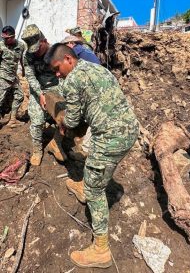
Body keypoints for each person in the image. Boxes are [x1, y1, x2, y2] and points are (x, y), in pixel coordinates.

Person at [44, 43, 139, 268]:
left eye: (57, 68)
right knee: (95, 166)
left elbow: (73, 119)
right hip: (129, 129)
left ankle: (101, 250)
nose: (57, 74)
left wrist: (62, 123)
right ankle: (86, 184)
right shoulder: (97, 67)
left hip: (111, 138)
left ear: (68, 59)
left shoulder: (73, 81)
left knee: (96, 191)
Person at [21, 24, 67, 166]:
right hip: (38, 88)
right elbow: (30, 77)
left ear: (44, 41)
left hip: (57, 86)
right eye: (32, 50)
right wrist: (40, 94)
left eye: (38, 48)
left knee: (65, 118)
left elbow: (64, 75)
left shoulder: (56, 52)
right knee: (36, 120)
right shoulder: (28, 56)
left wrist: (63, 94)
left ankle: (56, 143)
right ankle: (37, 150)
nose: (35, 52)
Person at [0, 26, 25, 128]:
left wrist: (23, 69)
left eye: (6, 38)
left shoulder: (21, 45)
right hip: (3, 77)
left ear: (13, 36)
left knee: (20, 96)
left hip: (13, 77)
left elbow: (22, 59)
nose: (4, 40)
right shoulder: (1, 46)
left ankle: (13, 120)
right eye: (3, 38)